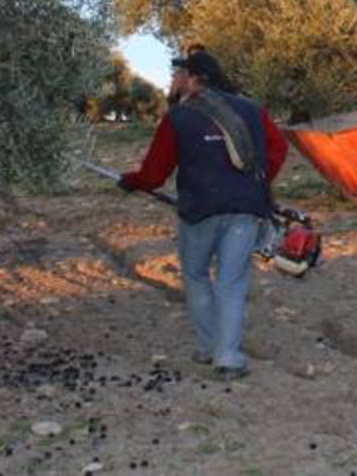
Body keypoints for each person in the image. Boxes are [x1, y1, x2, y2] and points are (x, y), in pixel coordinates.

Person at [119, 50, 289, 380]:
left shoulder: (179, 117)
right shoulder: (252, 110)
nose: (173, 81)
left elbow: (154, 174)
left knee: (196, 275)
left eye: (177, 75)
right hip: (244, 211)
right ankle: (228, 358)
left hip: (198, 212)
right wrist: (258, 182)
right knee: (232, 282)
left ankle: (209, 346)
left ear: (193, 77)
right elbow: (278, 148)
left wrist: (132, 181)